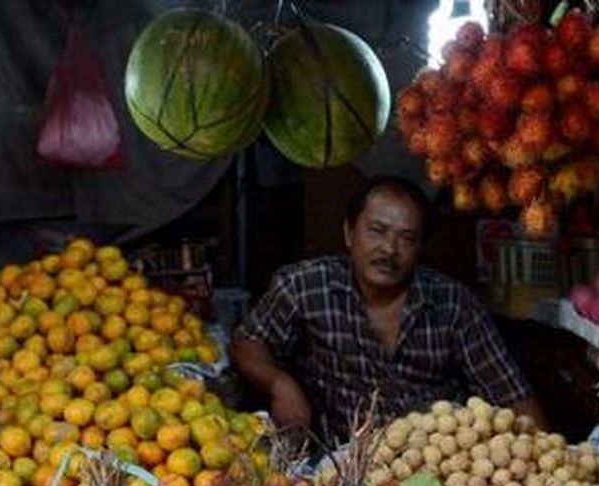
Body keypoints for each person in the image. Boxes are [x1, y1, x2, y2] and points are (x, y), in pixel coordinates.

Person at [230, 175, 546, 442]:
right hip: (339, 468)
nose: (389, 249)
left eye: (406, 238)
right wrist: (280, 384)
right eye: (377, 231)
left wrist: (544, 464)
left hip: (437, 468)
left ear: (420, 247)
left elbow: (513, 397)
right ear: (349, 233)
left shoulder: (453, 304)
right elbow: (249, 342)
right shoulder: (304, 285)